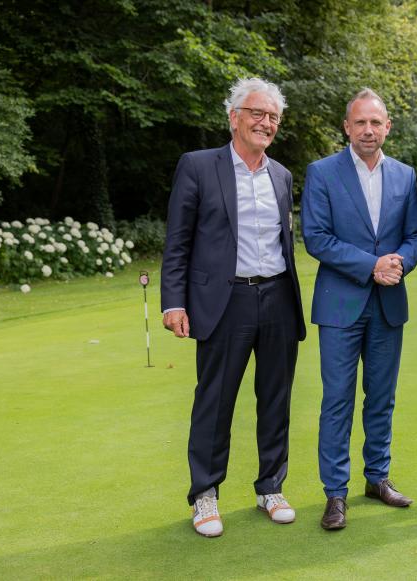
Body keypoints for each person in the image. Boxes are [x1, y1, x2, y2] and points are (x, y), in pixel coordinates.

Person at [161, 77, 306, 537]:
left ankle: (271, 486)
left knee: (276, 399)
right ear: (234, 117)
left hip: (279, 296)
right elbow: (178, 241)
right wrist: (173, 302)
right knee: (215, 400)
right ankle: (204, 495)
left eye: (273, 117)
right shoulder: (199, 166)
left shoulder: (281, 175)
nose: (266, 123)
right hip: (225, 301)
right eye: (258, 113)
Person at [301, 88, 417, 530]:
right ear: (347, 127)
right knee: (337, 400)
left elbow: (416, 236)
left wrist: (399, 264)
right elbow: (316, 237)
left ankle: (378, 478)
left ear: (388, 126)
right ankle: (335, 493)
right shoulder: (322, 173)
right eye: (360, 122)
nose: (368, 130)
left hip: (388, 305)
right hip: (340, 305)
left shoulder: (406, 176)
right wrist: (371, 265)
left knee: (381, 399)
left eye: (376, 122)